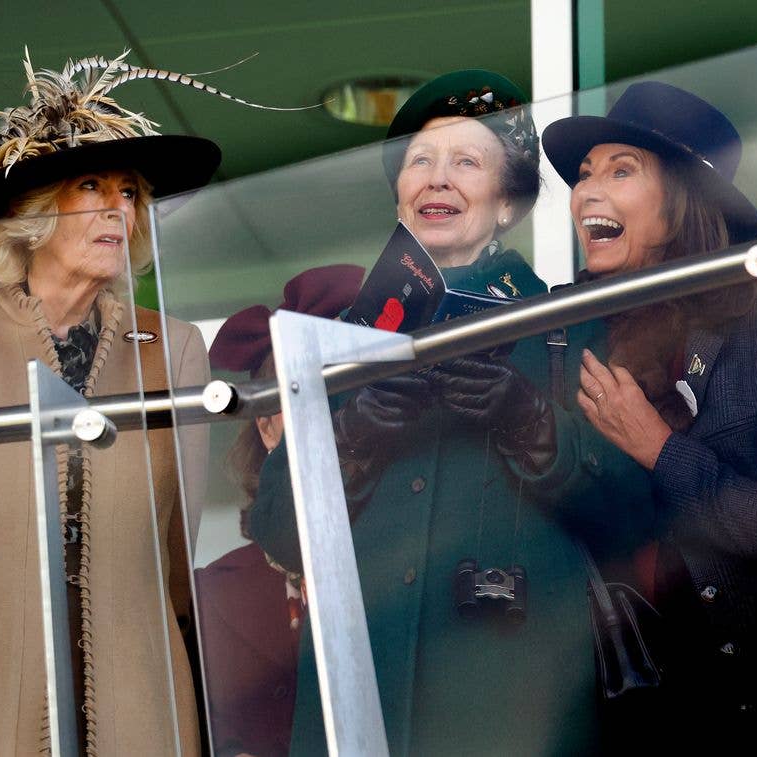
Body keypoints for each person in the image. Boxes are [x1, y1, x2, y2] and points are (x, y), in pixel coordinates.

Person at [247, 71, 632, 755]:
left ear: (508, 201)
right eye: (420, 162)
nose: (436, 179)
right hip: (363, 695)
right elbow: (279, 530)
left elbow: (628, 516)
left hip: (515, 705)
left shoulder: (568, 326)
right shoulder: (339, 338)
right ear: (399, 193)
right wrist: (355, 430)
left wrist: (527, 421)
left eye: (466, 162)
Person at [0, 51, 227, 755]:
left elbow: (175, 565)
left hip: (138, 714)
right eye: (91, 185)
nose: (118, 207)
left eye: (129, 192)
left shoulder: (172, 351)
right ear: (28, 215)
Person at [540, 81, 757, 751]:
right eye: (585, 174)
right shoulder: (566, 336)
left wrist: (659, 447)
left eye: (621, 170)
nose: (586, 191)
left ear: (686, 203)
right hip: (614, 713)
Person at [195, 264, 364, 757]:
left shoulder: (425, 550)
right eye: (297, 401)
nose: (329, 424)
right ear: (266, 431)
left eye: (341, 400)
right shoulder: (213, 595)